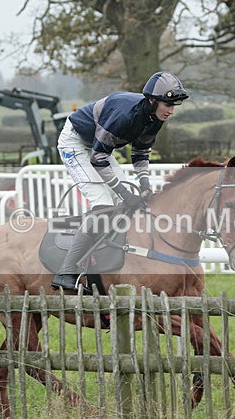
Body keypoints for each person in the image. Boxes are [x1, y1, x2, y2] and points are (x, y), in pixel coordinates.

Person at [51, 71, 189, 292]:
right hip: (76, 142)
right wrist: (125, 193)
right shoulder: (124, 115)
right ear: (152, 100)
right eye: (167, 104)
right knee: (104, 206)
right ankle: (66, 271)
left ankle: (106, 261)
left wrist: (144, 185)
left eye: (174, 106)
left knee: (124, 203)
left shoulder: (154, 118)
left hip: (98, 147)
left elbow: (141, 154)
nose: (171, 111)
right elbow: (97, 159)